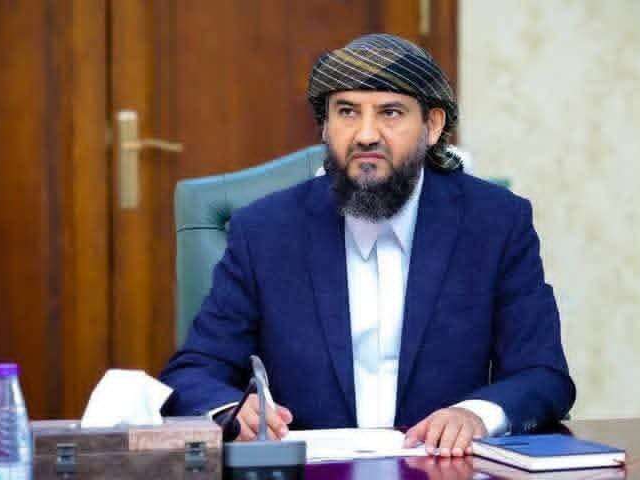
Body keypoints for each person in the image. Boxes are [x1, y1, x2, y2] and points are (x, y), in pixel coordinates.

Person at [160, 33, 575, 458]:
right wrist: (231, 411)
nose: (365, 135)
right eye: (347, 112)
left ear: (432, 126)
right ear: (326, 126)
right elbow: (194, 371)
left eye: (390, 113)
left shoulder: (495, 223)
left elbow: (542, 374)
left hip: (444, 467)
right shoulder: (265, 231)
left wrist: (476, 415)